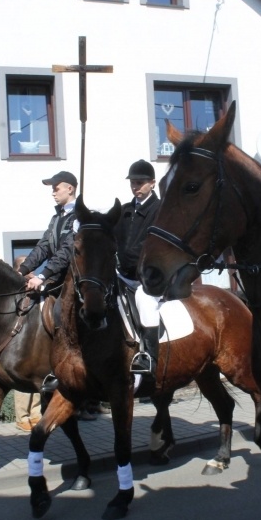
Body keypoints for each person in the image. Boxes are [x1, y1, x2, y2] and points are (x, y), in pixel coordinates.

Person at [17, 170, 79, 392]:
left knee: (60, 313)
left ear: (69, 189)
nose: (53, 192)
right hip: (56, 278)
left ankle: (70, 365)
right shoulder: (56, 218)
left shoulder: (79, 217)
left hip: (73, 280)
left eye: (56, 188)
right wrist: (23, 270)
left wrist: (42, 275)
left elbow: (67, 251)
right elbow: (43, 247)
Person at [113, 159, 162, 378]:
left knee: (145, 301)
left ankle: (150, 357)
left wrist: (127, 256)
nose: (135, 187)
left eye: (140, 183)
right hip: (124, 275)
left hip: (149, 277)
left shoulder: (161, 209)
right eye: (133, 183)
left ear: (152, 183)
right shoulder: (124, 210)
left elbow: (152, 243)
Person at [12, 255, 42, 432]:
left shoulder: (36, 283)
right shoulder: (15, 286)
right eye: (26, 267)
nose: (31, 270)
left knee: (36, 376)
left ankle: (36, 414)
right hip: (21, 339)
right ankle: (22, 418)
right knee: (23, 377)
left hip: (36, 336)